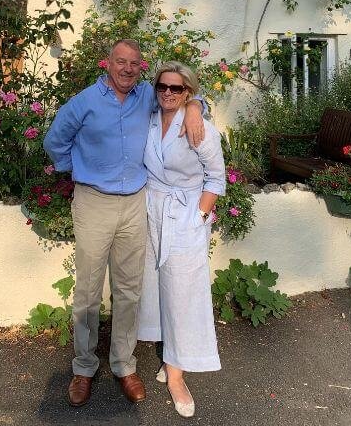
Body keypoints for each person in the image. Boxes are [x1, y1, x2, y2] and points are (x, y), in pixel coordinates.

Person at [43, 39, 205, 407]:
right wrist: (78, 169)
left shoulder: (148, 94)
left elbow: (181, 92)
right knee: (87, 291)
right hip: (93, 202)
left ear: (141, 67)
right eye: (121, 62)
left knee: (129, 289)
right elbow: (55, 142)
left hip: (135, 202)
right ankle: (83, 368)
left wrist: (194, 107)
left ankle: (123, 364)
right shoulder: (84, 101)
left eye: (135, 63)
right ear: (108, 64)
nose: (128, 69)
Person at [137, 61, 225, 418]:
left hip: (185, 214)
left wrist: (198, 218)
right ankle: (169, 353)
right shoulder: (150, 118)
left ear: (188, 92)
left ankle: (177, 376)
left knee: (184, 294)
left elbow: (216, 179)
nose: (168, 93)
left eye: (178, 89)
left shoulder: (201, 127)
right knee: (157, 288)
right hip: (150, 211)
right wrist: (193, 103)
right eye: (163, 87)